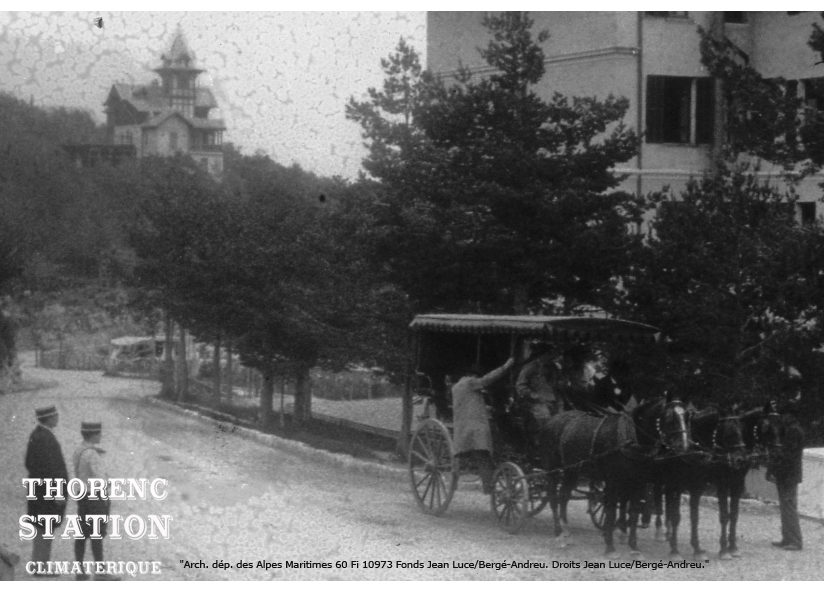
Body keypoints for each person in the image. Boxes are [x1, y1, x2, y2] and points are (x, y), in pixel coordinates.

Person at [451, 357, 515, 494]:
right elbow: (487, 379)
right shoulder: (470, 383)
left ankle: (455, 480)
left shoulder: (456, 387)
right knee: (483, 456)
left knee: (480, 456)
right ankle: (489, 488)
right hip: (475, 428)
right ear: (473, 376)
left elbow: (470, 405)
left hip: (463, 429)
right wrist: (505, 366)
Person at [24, 405, 68, 576]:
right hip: (47, 493)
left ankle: (38, 564)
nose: (58, 418)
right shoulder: (46, 438)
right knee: (45, 530)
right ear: (49, 418)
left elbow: (29, 463)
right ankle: (41, 567)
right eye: (55, 416)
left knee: (41, 528)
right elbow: (51, 469)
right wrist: (58, 492)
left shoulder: (36, 435)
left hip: (38, 491)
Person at [73, 422, 119, 581]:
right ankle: (100, 572)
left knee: (81, 533)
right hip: (95, 497)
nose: (101, 436)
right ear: (93, 435)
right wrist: (109, 482)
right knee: (97, 534)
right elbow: (100, 479)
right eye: (99, 433)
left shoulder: (79, 450)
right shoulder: (92, 454)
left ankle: (79, 571)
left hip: (82, 495)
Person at [768, 397, 805, 551]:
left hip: (788, 474)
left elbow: (787, 454)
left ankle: (795, 541)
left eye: (784, 415)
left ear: (790, 415)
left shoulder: (793, 431)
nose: (782, 417)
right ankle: (787, 538)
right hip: (788, 473)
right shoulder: (791, 429)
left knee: (789, 507)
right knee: (785, 507)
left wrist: (774, 462)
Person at [516, 342, 561, 442]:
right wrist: (533, 395)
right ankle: (541, 444)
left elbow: (556, 383)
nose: (553, 357)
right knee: (545, 421)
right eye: (550, 354)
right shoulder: (530, 367)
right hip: (535, 402)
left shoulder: (553, 367)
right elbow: (520, 385)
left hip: (553, 399)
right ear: (544, 354)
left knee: (561, 420)